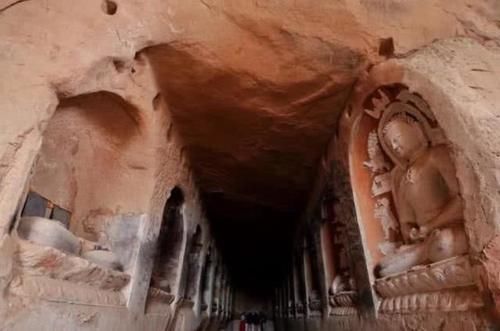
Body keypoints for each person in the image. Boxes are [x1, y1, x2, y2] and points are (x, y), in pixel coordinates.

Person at [376, 112, 468, 277]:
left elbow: (461, 200)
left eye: (397, 139)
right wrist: (412, 232)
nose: (395, 147)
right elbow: (406, 221)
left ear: (415, 130)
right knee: (383, 268)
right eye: (391, 145)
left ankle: (420, 256)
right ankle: (421, 254)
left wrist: (429, 226)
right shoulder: (400, 178)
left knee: (443, 244)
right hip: (425, 240)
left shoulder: (436, 155)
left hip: (451, 231)